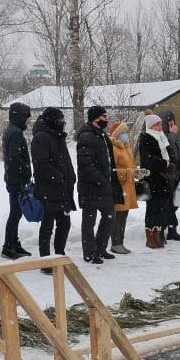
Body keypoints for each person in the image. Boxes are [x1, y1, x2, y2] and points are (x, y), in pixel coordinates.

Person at [30, 107, 75, 275]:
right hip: (49, 188)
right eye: (59, 120)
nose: (62, 123)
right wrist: (59, 177)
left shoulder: (58, 136)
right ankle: (46, 260)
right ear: (51, 121)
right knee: (47, 225)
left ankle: (59, 256)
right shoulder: (41, 138)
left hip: (63, 189)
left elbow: (65, 160)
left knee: (64, 223)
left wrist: (71, 175)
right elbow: (41, 164)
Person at [76, 106, 122, 265]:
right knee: (89, 221)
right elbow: (85, 164)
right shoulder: (87, 136)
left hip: (105, 185)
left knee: (109, 217)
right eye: (103, 116)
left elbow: (108, 159)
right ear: (95, 118)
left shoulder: (102, 135)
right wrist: (101, 180)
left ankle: (101, 248)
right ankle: (89, 253)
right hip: (91, 187)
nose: (106, 119)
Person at [1, 102, 33, 260]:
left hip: (14, 178)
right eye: (27, 117)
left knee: (17, 212)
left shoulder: (13, 131)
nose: (28, 121)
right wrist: (26, 172)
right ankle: (8, 246)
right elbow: (15, 157)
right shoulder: (14, 133)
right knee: (15, 213)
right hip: (16, 179)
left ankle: (14, 243)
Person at [107, 121, 142, 254]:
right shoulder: (113, 148)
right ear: (117, 134)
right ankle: (115, 243)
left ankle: (120, 241)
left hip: (127, 186)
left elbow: (129, 166)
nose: (126, 135)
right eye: (123, 133)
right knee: (117, 216)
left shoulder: (125, 146)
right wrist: (128, 172)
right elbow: (113, 170)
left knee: (124, 214)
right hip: (119, 186)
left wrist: (136, 172)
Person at [138, 114, 172, 249]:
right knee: (152, 208)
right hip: (153, 179)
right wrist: (165, 165)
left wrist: (171, 164)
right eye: (157, 124)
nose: (160, 127)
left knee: (161, 208)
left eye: (160, 124)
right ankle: (150, 236)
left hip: (163, 179)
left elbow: (170, 154)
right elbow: (149, 159)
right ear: (151, 126)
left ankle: (158, 233)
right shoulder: (146, 138)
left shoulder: (162, 138)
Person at [159, 110, 180, 241]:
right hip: (168, 174)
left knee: (176, 202)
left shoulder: (178, 134)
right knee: (168, 203)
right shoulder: (162, 136)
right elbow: (168, 150)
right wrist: (172, 135)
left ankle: (171, 229)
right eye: (168, 120)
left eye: (172, 120)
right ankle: (166, 228)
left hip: (179, 173)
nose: (171, 122)